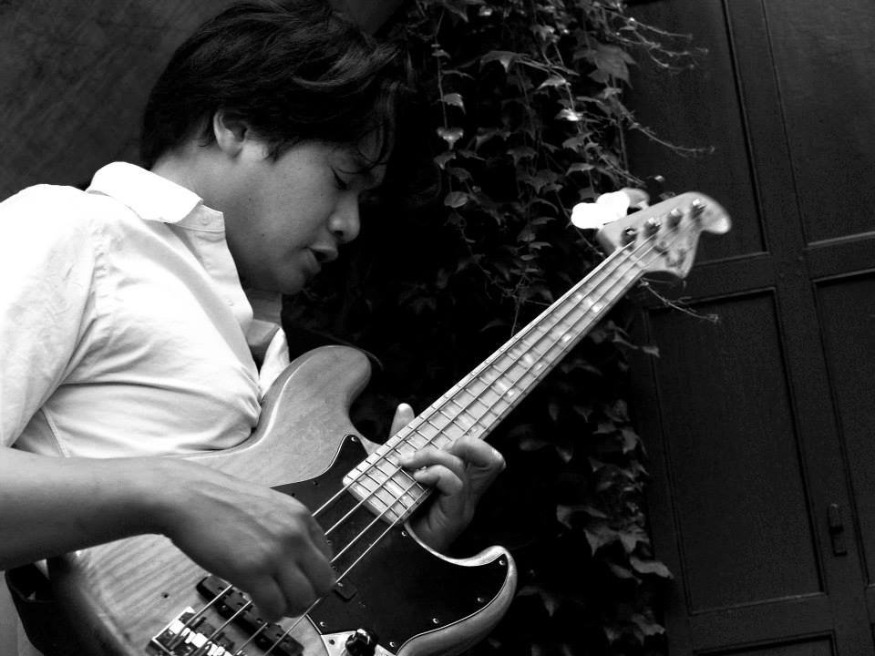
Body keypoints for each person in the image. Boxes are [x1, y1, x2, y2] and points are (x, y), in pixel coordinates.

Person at [0, 1, 505, 653]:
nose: (350, 223)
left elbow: (252, 605)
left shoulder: (272, 353)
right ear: (235, 124)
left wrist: (394, 548)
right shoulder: (74, 230)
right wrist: (171, 490)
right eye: (342, 180)